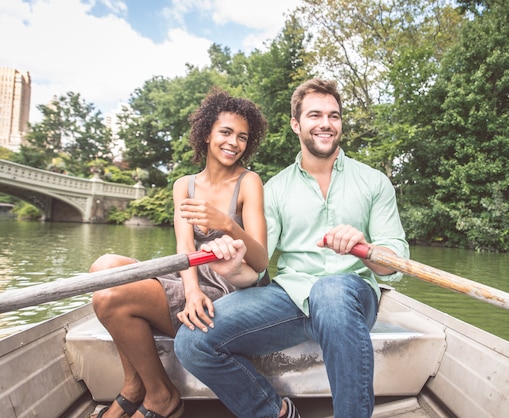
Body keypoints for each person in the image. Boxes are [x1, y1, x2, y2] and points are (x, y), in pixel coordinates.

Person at [174, 78, 409, 418]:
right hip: (291, 297)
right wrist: (234, 268)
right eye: (315, 115)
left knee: (330, 290)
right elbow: (257, 267)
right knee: (192, 341)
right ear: (296, 124)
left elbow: (395, 264)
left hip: (353, 297)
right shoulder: (276, 188)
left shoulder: (374, 182)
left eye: (334, 116)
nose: (326, 123)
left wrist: (366, 248)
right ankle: (275, 413)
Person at [89, 88, 269, 418]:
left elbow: (260, 261)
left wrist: (226, 224)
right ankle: (134, 384)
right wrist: (190, 292)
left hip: (225, 287)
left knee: (110, 296)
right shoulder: (183, 185)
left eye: (242, 137)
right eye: (225, 132)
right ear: (206, 134)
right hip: (188, 278)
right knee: (104, 267)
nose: (234, 143)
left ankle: (161, 396)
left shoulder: (249, 182)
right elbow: (184, 247)